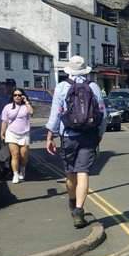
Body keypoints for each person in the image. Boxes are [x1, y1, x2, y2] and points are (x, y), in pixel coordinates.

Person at [45, 56, 106, 228]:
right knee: (83, 172)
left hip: (68, 136)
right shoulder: (93, 86)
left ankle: (72, 202)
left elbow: (56, 113)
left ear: (69, 71)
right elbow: (102, 113)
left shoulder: (62, 87)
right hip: (89, 135)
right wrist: (100, 133)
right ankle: (79, 210)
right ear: (85, 70)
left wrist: (50, 135)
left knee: (70, 173)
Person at [0, 87, 34, 184]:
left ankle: (22, 169)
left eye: (19, 95)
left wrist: (26, 101)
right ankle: (15, 174)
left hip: (24, 134)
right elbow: (4, 121)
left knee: (23, 156)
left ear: (22, 96)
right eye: (15, 95)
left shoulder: (26, 107)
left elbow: (31, 112)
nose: (17, 97)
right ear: (12, 97)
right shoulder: (8, 107)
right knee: (15, 155)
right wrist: (2, 133)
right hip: (11, 133)